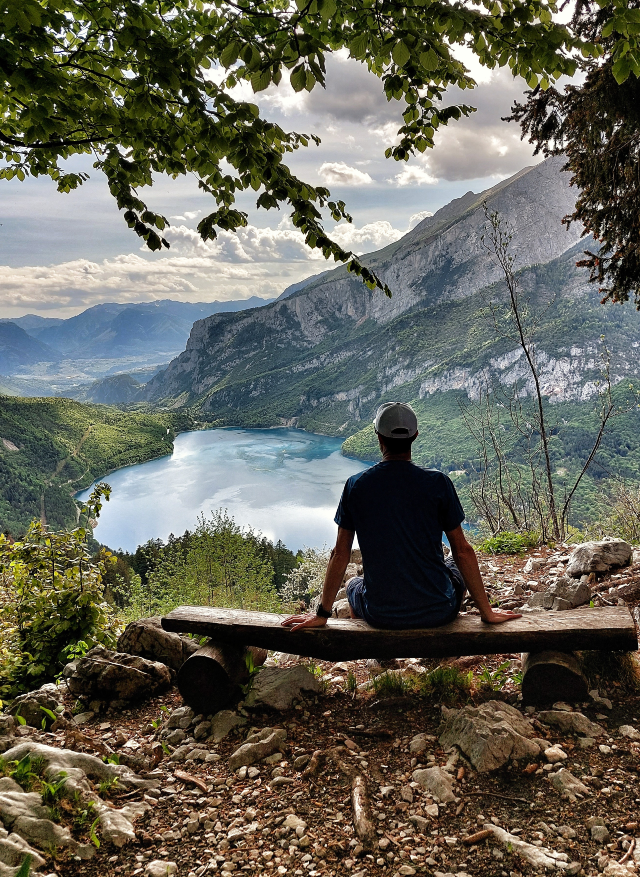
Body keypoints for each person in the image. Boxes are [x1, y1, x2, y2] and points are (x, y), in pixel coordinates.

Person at [282, 401, 521, 631]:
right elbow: (462, 551)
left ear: (378, 437)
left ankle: (370, 650)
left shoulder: (356, 486)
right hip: (440, 611)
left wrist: (321, 614)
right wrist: (487, 612)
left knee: (353, 584)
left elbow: (341, 553)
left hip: (380, 614)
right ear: (415, 436)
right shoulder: (439, 483)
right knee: (451, 565)